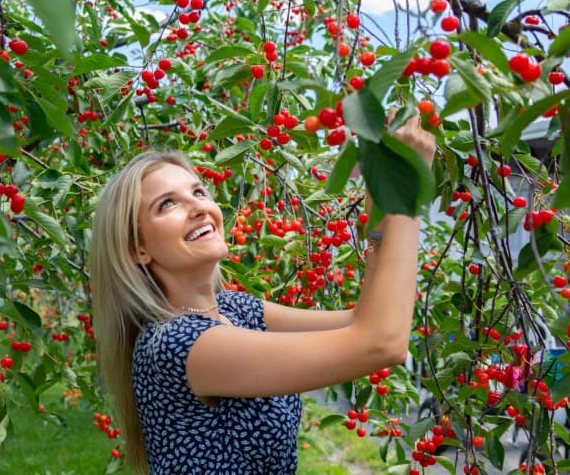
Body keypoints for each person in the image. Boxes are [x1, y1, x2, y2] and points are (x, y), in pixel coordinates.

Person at [89, 115, 436, 474]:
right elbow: (381, 342)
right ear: (137, 249)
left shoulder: (235, 309)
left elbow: (363, 319)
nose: (198, 207)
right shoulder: (176, 344)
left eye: (197, 191)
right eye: (167, 204)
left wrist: (380, 204)